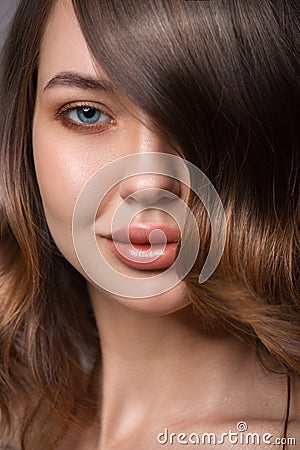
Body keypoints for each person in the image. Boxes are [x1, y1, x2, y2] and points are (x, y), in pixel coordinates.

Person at [0, 0, 299, 449]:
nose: (147, 182)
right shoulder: (16, 420)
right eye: (88, 113)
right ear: (24, 136)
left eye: (203, 116)